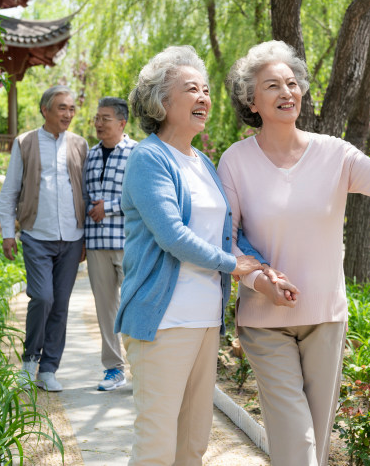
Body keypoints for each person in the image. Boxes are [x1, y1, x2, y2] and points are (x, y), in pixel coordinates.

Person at [217, 40, 370, 466]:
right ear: (251, 101)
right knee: (297, 442)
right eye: (272, 85)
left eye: (292, 83)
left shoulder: (334, 152)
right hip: (264, 320)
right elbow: (226, 239)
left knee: (318, 440)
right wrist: (260, 282)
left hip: (326, 317)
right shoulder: (235, 161)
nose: (285, 92)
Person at [115, 45, 266, 466]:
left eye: (205, 90)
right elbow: (172, 235)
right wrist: (233, 265)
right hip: (162, 320)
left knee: (193, 443)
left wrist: (258, 266)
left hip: (203, 320)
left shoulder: (201, 161)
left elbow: (224, 233)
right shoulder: (148, 158)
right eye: (191, 90)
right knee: (156, 445)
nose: (204, 98)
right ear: (162, 103)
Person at [0, 85, 88, 393]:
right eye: (62, 107)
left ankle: (49, 368)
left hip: (72, 237)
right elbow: (10, 191)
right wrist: (8, 233)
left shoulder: (80, 144)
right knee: (42, 297)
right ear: (45, 110)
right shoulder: (25, 142)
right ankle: (28, 361)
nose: (68, 114)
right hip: (37, 235)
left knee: (61, 303)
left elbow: (86, 193)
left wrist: (86, 236)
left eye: (71, 108)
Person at [82, 97, 137, 391]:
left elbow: (142, 196)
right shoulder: (89, 155)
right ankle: (113, 370)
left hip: (129, 242)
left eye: (105, 118)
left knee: (134, 307)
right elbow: (85, 198)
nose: (99, 123)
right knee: (105, 310)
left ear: (121, 123)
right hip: (96, 243)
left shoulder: (137, 153)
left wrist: (111, 207)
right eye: (97, 118)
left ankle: (141, 369)